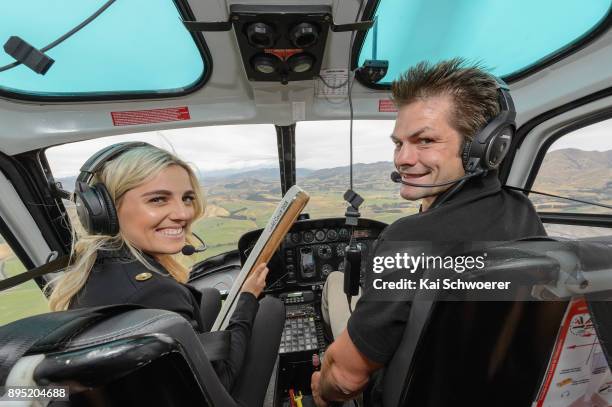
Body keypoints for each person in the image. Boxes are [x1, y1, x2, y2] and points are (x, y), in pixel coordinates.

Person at [312, 58, 546, 406]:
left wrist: (320, 390)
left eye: (424, 141)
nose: (403, 159)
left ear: (485, 147)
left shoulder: (407, 240)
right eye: (398, 143)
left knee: (333, 282)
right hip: (491, 388)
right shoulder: (522, 212)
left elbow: (347, 380)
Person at [45, 142, 284, 406]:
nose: (183, 214)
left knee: (210, 295)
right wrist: (248, 297)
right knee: (270, 308)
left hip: (130, 393)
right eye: (158, 199)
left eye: (187, 198)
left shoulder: (96, 269)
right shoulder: (156, 293)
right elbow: (222, 379)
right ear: (106, 210)